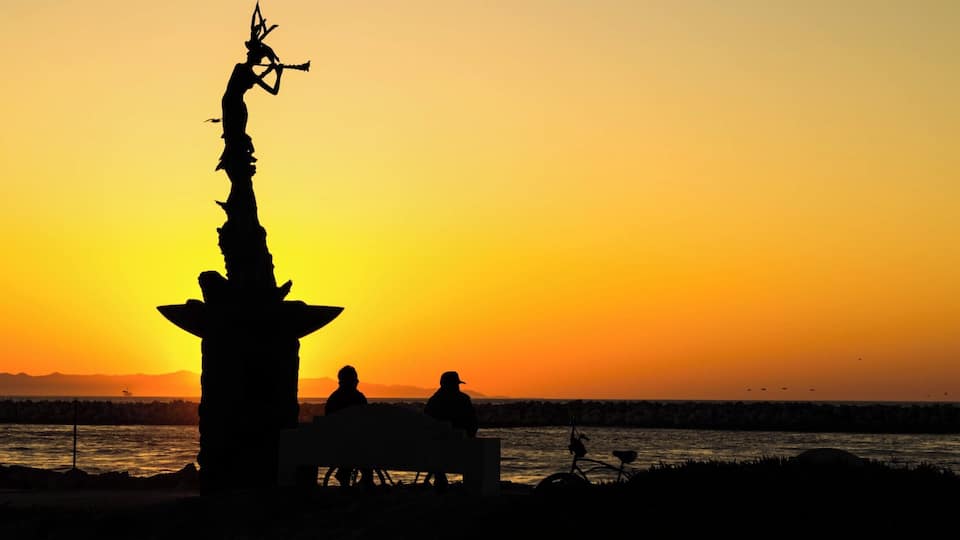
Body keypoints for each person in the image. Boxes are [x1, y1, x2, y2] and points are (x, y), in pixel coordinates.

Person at [423, 370, 478, 490]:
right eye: (456, 384)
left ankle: (440, 480)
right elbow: (473, 424)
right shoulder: (464, 400)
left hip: (434, 453)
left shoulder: (434, 401)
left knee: (436, 445)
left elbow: (425, 424)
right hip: (460, 450)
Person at [324, 365, 373, 488]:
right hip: (354, 444)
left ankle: (345, 474)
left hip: (337, 444)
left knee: (351, 443)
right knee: (361, 444)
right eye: (355, 379)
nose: (357, 382)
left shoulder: (333, 399)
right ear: (354, 381)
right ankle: (365, 478)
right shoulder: (359, 398)